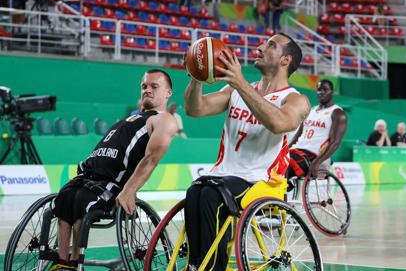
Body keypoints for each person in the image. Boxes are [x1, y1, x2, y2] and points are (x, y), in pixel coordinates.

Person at [183, 33, 310, 271]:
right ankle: (195, 265)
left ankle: (212, 268)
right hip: (224, 174)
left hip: (263, 180)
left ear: (285, 60)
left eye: (270, 45)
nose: (260, 47)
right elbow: (195, 109)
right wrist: (196, 77)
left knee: (212, 195)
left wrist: (239, 83)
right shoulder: (234, 92)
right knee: (195, 192)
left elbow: (279, 123)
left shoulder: (296, 99)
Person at [49, 70, 177, 271]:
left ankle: (74, 263)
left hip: (111, 183)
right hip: (87, 176)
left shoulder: (164, 119)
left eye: (154, 86)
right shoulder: (134, 118)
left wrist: (129, 190)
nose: (148, 90)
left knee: (82, 203)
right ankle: (61, 262)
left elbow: (152, 157)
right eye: (144, 86)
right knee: (63, 201)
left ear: (168, 92)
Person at [287, 79, 347, 181]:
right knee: (272, 163)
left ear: (332, 92)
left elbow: (335, 142)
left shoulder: (337, 113)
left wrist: (317, 162)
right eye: (319, 89)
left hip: (313, 155)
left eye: (325, 89)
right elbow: (298, 135)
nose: (321, 92)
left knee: (285, 169)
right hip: (296, 150)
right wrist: (285, 150)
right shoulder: (310, 111)